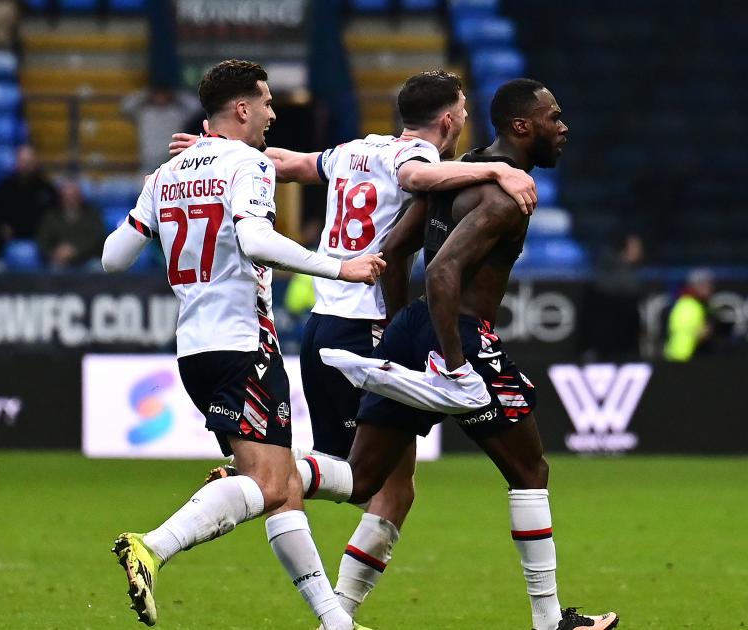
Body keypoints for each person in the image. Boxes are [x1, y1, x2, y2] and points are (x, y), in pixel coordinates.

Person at [168, 70, 539, 625]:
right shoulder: (413, 156)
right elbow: (416, 176)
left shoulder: (355, 149)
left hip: (324, 325)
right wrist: (497, 167)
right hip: (367, 328)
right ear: (448, 119)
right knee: (364, 479)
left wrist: (216, 153)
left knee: (396, 486)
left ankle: (334, 603)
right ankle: (267, 482)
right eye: (462, 110)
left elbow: (292, 164)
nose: (465, 119)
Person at [322, 78, 618, 630]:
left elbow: (393, 250)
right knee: (529, 470)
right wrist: (455, 362)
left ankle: (328, 607)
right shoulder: (506, 194)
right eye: (554, 117)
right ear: (522, 125)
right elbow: (442, 271)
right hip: (455, 335)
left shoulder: (461, 167)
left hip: (412, 329)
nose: (563, 127)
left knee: (362, 481)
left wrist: (396, 330)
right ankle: (551, 621)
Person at [101, 59, 385, 630]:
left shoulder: (165, 175)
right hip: (243, 343)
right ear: (241, 108)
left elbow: (113, 257)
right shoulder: (249, 164)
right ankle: (152, 546)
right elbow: (255, 241)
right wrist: (341, 269)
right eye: (267, 101)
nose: (273, 112)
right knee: (269, 483)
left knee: (280, 491)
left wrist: (156, 208)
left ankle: (337, 621)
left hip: (193, 352)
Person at [581, 232, 645, 362]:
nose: (641, 251)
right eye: (637, 247)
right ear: (626, 248)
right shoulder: (625, 279)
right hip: (615, 347)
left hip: (602, 346)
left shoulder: (602, 272)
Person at [122, 85, 203, 174]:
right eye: (157, 93)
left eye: (164, 93)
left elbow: (197, 107)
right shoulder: (144, 112)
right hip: (148, 164)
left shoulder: (178, 113)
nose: (160, 97)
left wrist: (176, 94)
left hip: (172, 163)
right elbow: (126, 106)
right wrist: (146, 93)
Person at [0, 145, 58, 240]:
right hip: (10, 239)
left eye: (29, 162)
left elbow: (52, 217)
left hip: (39, 238)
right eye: (22, 161)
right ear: (16, 163)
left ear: (36, 163)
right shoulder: (4, 188)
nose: (25, 165)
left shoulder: (47, 189)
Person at [36, 178, 106, 269]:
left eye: (73, 195)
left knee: (96, 267)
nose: (70, 199)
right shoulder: (50, 217)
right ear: (60, 197)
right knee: (54, 268)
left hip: (87, 258)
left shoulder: (93, 215)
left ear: (80, 197)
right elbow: (43, 240)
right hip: (58, 259)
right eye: (66, 196)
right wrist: (55, 252)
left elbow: (98, 239)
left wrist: (75, 250)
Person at [663, 268, 715, 361]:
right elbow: (701, 334)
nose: (711, 288)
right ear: (697, 285)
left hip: (674, 355)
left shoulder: (683, 302)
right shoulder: (692, 306)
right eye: (707, 284)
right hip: (686, 357)